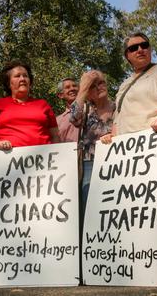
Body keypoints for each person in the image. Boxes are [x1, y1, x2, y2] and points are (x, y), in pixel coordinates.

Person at [104, 32, 157, 139]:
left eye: (144, 45)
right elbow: (118, 116)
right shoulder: (124, 84)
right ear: (127, 56)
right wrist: (113, 136)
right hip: (126, 147)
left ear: (150, 49)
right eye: (134, 48)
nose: (140, 50)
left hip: (155, 140)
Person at [0, 60, 60, 150]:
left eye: (25, 76)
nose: (22, 79)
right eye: (17, 76)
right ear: (9, 83)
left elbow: (55, 136)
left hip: (43, 159)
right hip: (7, 158)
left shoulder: (43, 104)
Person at [69, 70, 114, 216]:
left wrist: (114, 136)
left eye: (101, 83)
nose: (99, 87)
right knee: (89, 206)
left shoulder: (118, 107)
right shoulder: (86, 110)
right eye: (93, 86)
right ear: (87, 92)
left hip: (116, 162)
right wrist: (83, 88)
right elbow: (73, 119)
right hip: (90, 164)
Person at [56, 78, 80, 142]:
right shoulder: (57, 121)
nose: (72, 89)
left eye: (74, 86)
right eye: (67, 87)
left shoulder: (92, 112)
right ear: (61, 95)